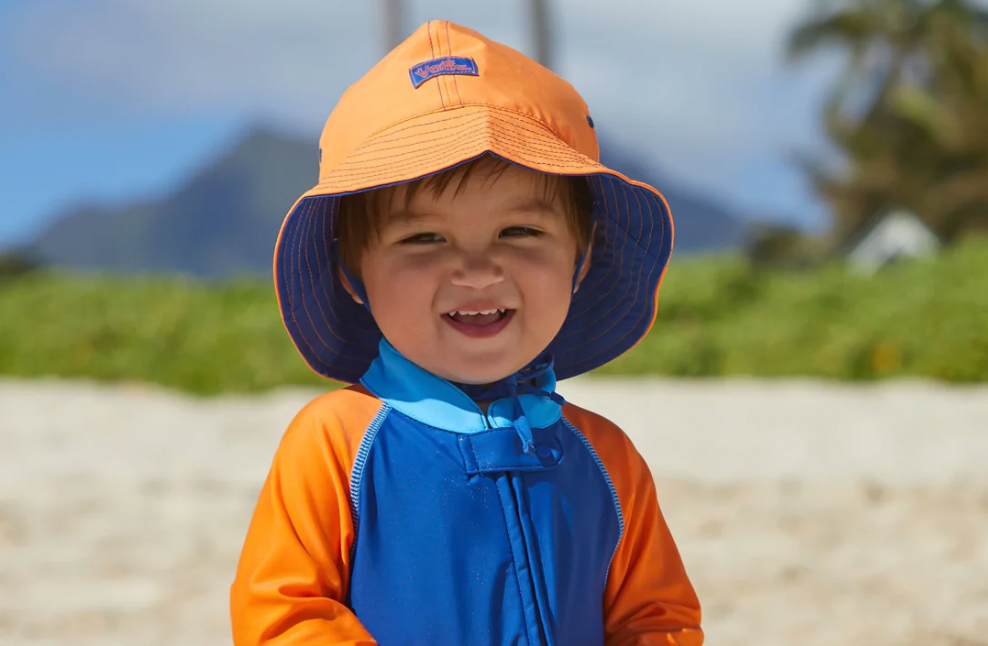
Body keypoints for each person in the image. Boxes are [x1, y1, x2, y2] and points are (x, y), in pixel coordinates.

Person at [230, 19, 703, 646]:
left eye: (521, 232)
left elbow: (657, 619)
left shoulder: (606, 458)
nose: (478, 270)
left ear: (581, 258)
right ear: (353, 272)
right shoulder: (336, 445)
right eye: (424, 238)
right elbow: (282, 616)